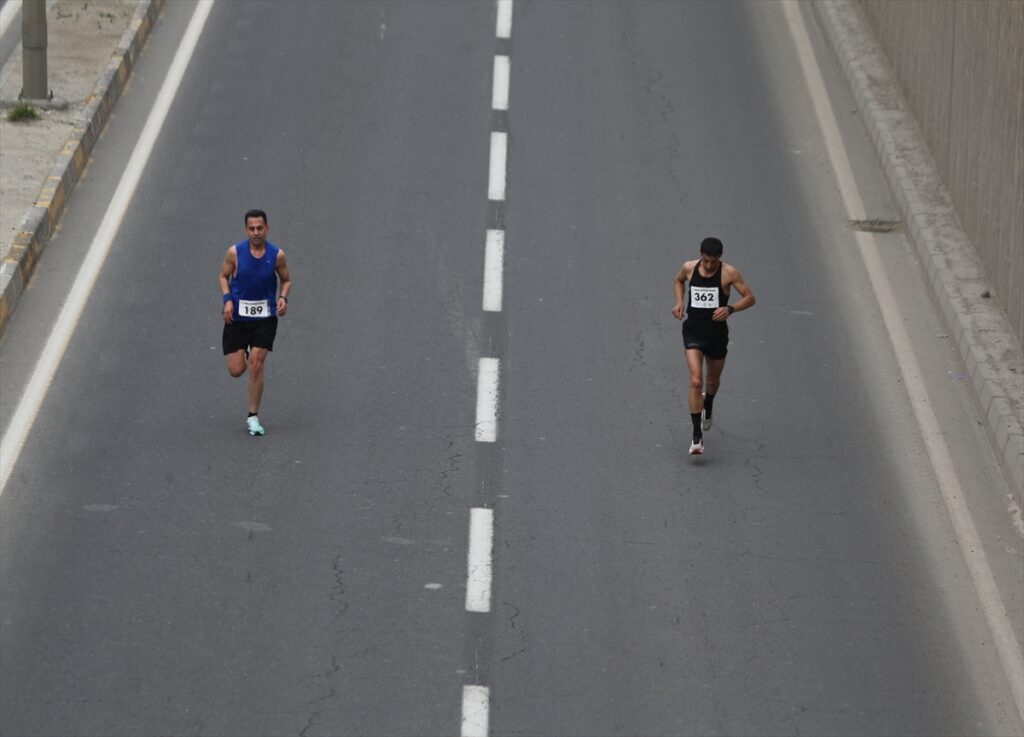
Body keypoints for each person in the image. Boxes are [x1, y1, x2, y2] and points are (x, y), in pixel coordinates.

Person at [672, 237, 755, 455]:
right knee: (696, 380)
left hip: (717, 335)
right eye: (706, 260)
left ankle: (708, 403)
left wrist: (730, 309)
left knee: (712, 380)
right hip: (693, 331)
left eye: (714, 261)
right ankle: (696, 437)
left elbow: (749, 298)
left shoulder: (729, 273)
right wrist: (680, 302)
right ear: (700, 254)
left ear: (721, 257)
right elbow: (678, 281)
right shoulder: (689, 268)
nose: (709, 265)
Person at [219, 209, 292, 436]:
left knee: (256, 365)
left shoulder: (277, 255)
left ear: (267, 228)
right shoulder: (235, 253)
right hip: (238, 318)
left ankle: (253, 416)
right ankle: (248, 349)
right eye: (251, 229)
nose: (256, 232)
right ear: (246, 230)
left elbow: (286, 280)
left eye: (260, 228)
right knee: (236, 369)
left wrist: (282, 297)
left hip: (265, 317)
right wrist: (227, 300)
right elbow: (223, 276)